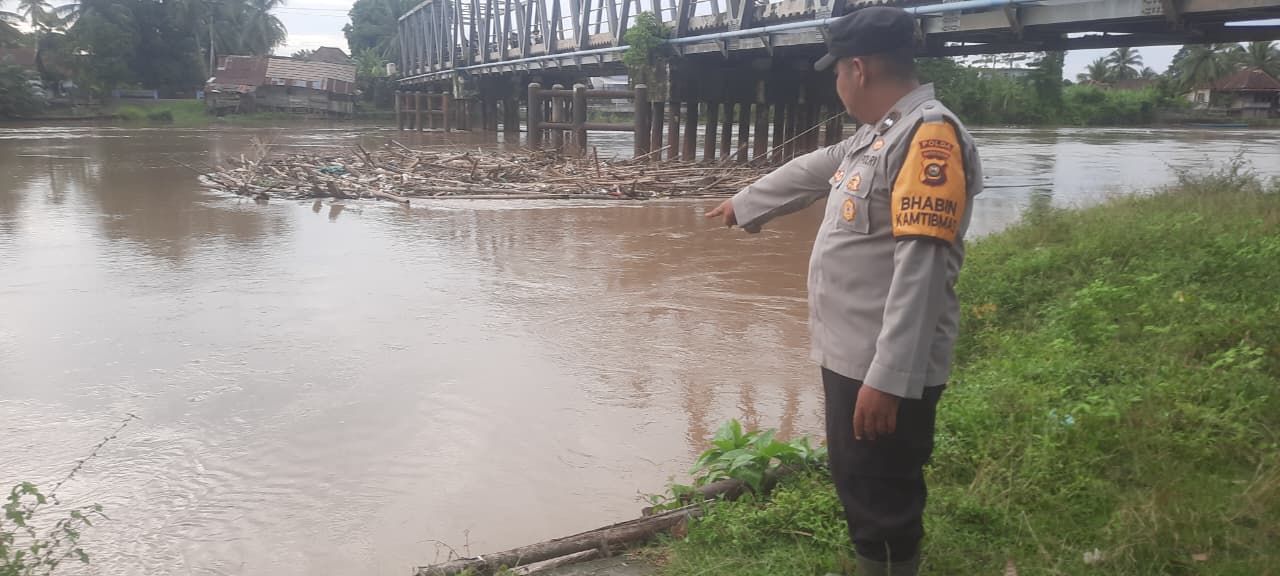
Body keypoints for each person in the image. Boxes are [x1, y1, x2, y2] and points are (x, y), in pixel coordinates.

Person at [705, 6, 983, 575]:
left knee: (883, 495)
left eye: (836, 72)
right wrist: (746, 203)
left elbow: (923, 270)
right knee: (860, 480)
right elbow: (815, 168)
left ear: (858, 69)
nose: (836, 84)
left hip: (881, 365)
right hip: (853, 355)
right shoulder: (881, 135)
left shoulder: (929, 138)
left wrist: (889, 379)